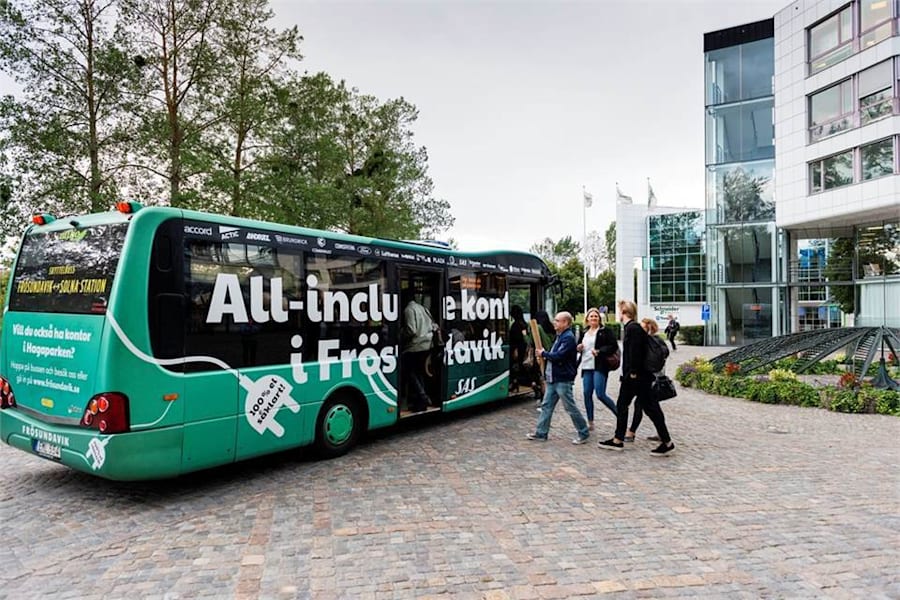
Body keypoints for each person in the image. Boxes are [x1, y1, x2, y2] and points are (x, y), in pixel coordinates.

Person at [598, 300, 675, 456]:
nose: (618, 314)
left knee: (638, 407)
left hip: (636, 378)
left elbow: (635, 352)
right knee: (647, 408)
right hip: (640, 377)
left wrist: (632, 372)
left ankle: (619, 440)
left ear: (624, 312)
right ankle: (620, 439)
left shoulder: (632, 329)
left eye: (619, 310)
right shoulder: (633, 328)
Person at [526, 312, 591, 445]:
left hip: (562, 378)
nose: (554, 323)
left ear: (565, 323)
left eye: (557, 321)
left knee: (570, 407)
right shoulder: (561, 336)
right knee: (547, 406)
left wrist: (544, 353)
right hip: (554, 378)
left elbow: (559, 356)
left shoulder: (568, 338)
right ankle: (541, 433)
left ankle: (583, 432)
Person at [576, 307, 618, 431]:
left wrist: (600, 351)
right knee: (586, 393)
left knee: (600, 394)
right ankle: (590, 422)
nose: (594, 318)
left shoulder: (605, 331)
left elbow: (613, 346)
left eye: (596, 316)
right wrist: (579, 347)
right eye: (591, 316)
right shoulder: (584, 332)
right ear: (587, 319)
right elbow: (578, 347)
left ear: (599, 319)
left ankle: (620, 415)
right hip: (586, 366)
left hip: (599, 366)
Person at [622, 318, 660, 442]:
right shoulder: (643, 342)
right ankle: (663, 436)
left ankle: (631, 432)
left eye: (642, 327)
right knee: (650, 407)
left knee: (642, 405)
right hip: (646, 378)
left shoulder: (652, 342)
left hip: (649, 379)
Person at [401, 287, 434, 412]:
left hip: (415, 346)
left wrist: (400, 333)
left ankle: (422, 396)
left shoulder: (409, 310)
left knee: (409, 372)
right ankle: (421, 400)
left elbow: (411, 330)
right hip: (427, 345)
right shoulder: (422, 308)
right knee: (419, 372)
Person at [528, 310, 556, 401]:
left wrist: (524, 335)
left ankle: (542, 393)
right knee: (545, 375)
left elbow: (530, 341)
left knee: (538, 374)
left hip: (540, 354)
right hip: (550, 354)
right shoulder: (551, 327)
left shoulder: (537, 328)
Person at [508, 305, 529, 392]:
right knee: (520, 366)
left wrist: (515, 350)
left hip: (516, 348)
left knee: (514, 366)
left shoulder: (515, 325)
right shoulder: (524, 324)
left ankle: (515, 382)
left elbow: (515, 338)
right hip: (523, 348)